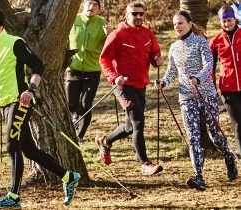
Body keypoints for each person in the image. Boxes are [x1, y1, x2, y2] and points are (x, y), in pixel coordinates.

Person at [0, 9, 80, 208]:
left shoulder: (15, 42)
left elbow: (38, 65)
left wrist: (31, 89)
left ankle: (13, 197)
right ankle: (68, 176)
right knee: (28, 150)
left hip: (19, 101)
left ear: (0, 25)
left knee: (11, 145)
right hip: (3, 103)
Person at [156, 10, 238, 191]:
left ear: (190, 23)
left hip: (206, 94)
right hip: (186, 96)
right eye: (175, 24)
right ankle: (199, 176)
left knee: (214, 135)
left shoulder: (200, 42)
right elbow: (172, 72)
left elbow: (209, 64)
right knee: (193, 136)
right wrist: (163, 82)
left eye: (180, 23)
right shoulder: (174, 47)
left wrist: (199, 78)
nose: (177, 26)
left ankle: (228, 156)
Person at [96, 1, 163, 176]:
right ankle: (145, 164)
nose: (138, 16)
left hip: (141, 83)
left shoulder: (148, 34)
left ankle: (105, 141)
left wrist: (157, 60)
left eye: (141, 13)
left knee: (129, 127)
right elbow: (104, 59)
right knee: (138, 122)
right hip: (123, 85)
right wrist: (115, 77)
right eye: (134, 14)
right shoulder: (117, 35)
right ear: (127, 15)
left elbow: (155, 53)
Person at [65, 0, 111, 143]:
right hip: (73, 69)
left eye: (95, 5)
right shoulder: (72, 20)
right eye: (89, 3)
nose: (92, 7)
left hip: (92, 71)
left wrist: (110, 35)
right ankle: (74, 117)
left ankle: (80, 136)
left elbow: (110, 46)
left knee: (86, 104)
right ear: (83, 5)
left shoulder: (102, 23)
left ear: (99, 8)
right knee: (70, 103)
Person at [210, 5, 241, 158]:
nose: (227, 24)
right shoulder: (216, 41)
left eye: (229, 20)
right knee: (238, 123)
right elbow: (210, 66)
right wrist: (212, 87)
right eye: (224, 21)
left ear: (235, 19)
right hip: (228, 88)